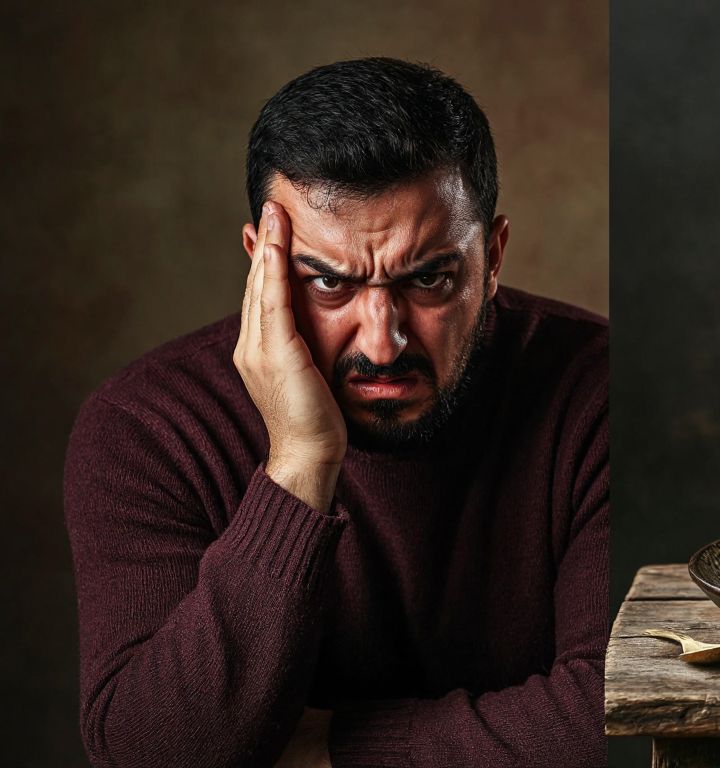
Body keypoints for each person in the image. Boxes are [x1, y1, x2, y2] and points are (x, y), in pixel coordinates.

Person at [63, 58, 607, 767]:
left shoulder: (601, 391)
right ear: (263, 261)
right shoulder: (147, 428)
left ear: (494, 257)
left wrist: (341, 750)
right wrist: (298, 465)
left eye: (430, 278)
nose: (382, 340)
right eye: (327, 282)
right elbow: (150, 752)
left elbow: (625, 715)